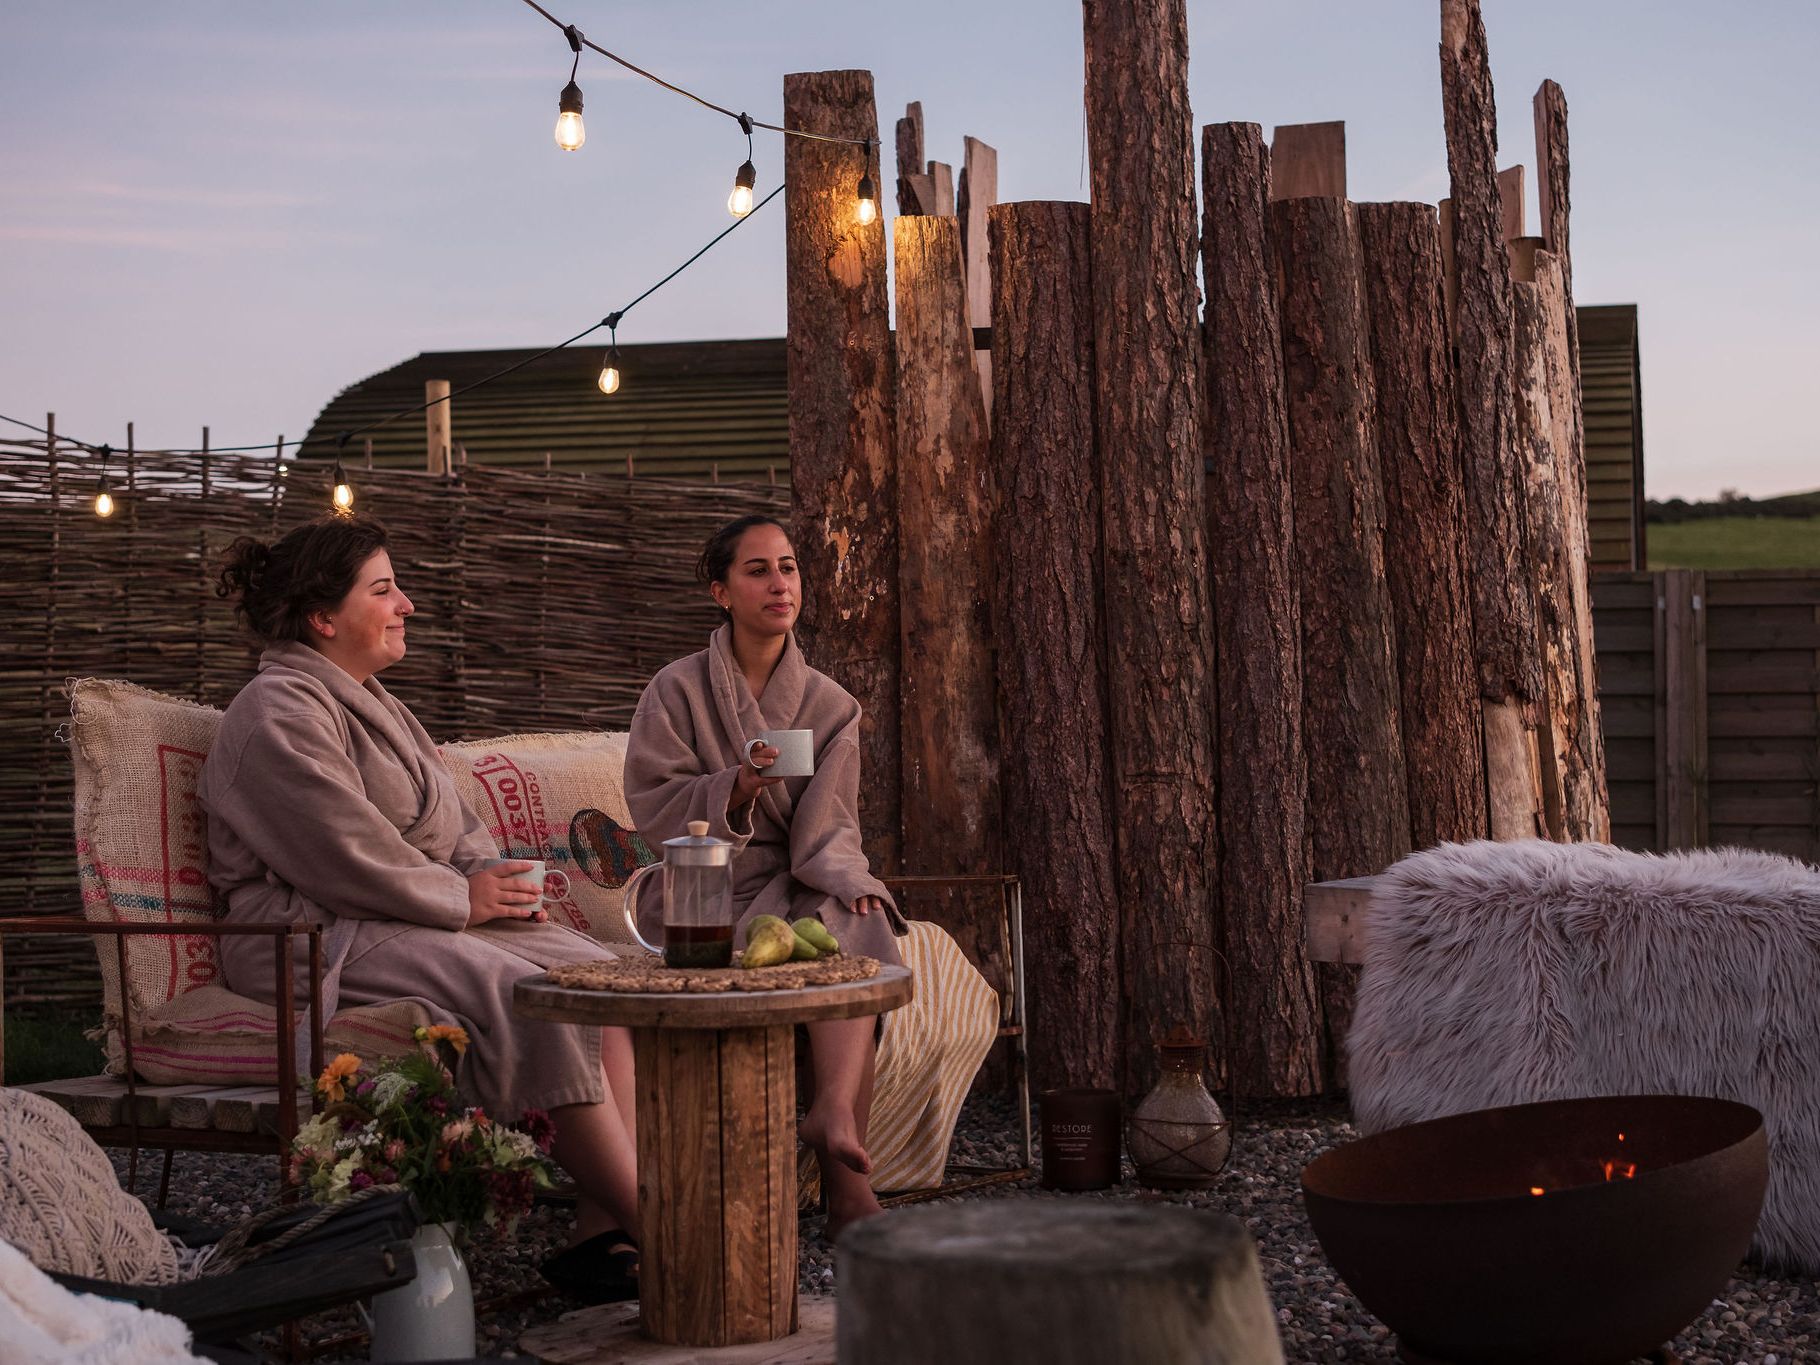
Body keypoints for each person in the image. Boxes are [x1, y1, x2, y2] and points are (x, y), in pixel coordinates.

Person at [198, 514, 637, 1302]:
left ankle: (599, 1230)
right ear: (322, 618)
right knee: (519, 997)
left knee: (601, 977)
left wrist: (491, 881)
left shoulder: (376, 705)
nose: (408, 603)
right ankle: (669, 1225)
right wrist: (459, 898)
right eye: (385, 588)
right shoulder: (275, 712)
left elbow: (451, 823)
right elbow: (339, 849)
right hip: (310, 931)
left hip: (395, 908)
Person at [624, 514, 907, 1236]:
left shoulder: (830, 705)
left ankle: (837, 1124)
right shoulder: (676, 691)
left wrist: (848, 876)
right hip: (704, 889)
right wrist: (737, 789)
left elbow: (831, 825)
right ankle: (846, 1192)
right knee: (826, 919)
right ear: (721, 590)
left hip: (798, 875)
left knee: (862, 916)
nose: (779, 583)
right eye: (758, 569)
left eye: (788, 567)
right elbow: (655, 808)